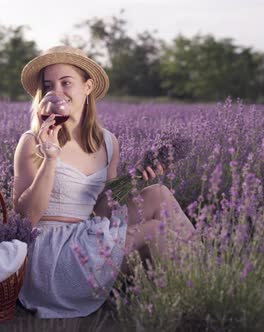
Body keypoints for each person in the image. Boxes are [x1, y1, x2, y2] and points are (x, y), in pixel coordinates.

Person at [13, 45, 194, 318]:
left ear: (88, 87)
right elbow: (25, 219)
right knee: (156, 230)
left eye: (66, 83)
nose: (57, 93)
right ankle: (194, 295)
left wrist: (133, 181)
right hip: (52, 256)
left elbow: (102, 212)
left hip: (89, 235)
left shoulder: (108, 142)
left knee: (159, 193)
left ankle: (202, 278)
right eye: (49, 85)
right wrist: (50, 158)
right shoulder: (32, 142)